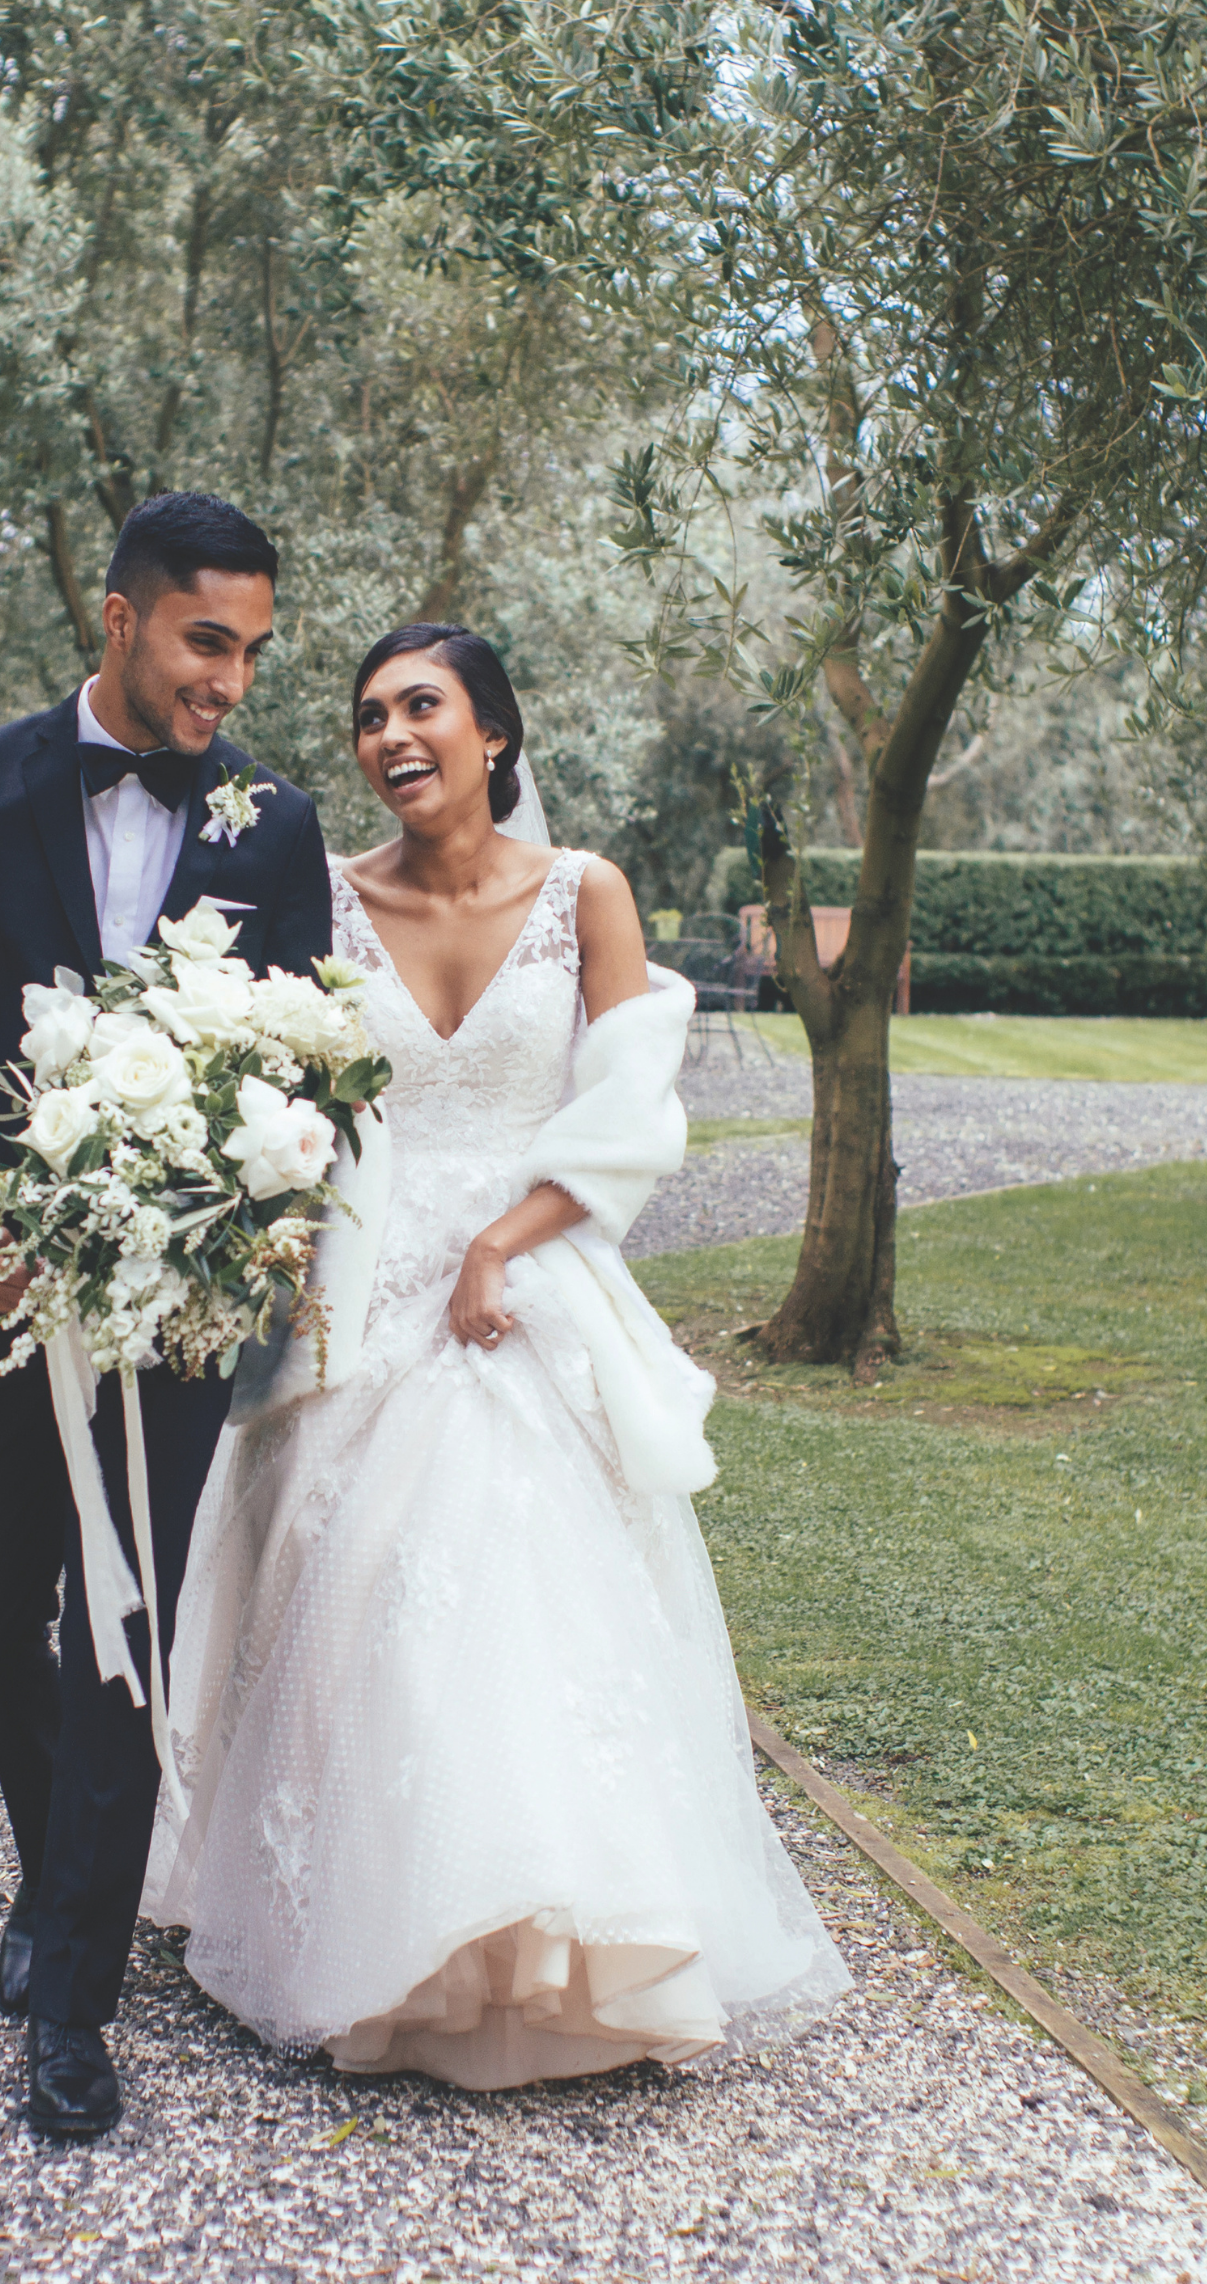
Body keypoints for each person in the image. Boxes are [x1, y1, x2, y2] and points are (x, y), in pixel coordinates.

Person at [145, 623, 849, 2087]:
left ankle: (559, 1925)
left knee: (525, 1568)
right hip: (359, 1284)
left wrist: (501, 1244)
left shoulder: (584, 891)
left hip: (524, 1280)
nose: (390, 734)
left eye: (422, 705)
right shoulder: (322, 898)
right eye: (365, 716)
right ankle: (384, 1933)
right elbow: (274, 1096)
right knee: (354, 1588)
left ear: (494, 733)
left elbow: (627, 1113)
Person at [0, 492, 332, 2136]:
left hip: (173, 1316)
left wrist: (259, 1220)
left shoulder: (271, 825)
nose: (231, 683)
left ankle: (72, 1992)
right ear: (118, 619)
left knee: (119, 1636)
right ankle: (69, 1869)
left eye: (254, 652)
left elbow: (302, 1065)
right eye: (209, 641)